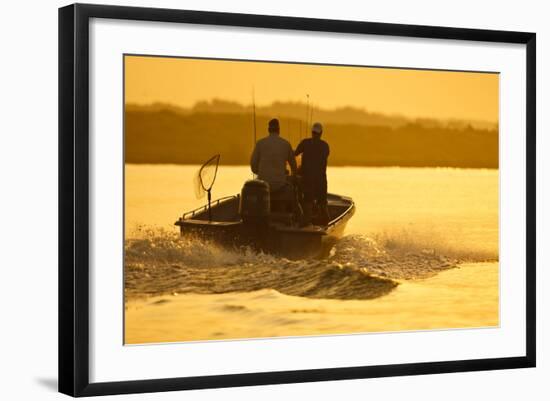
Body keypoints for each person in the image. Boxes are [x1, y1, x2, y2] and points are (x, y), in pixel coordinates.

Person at [295, 122, 330, 225]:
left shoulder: (305, 143)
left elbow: (295, 153)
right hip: (321, 181)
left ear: (312, 132)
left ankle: (307, 223)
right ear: (321, 133)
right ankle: (326, 223)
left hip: (308, 180)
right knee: (322, 204)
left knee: (308, 203)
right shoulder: (325, 146)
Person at [250, 118, 297, 191]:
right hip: (280, 184)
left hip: (263, 185)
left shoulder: (260, 143)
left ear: (268, 130)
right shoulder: (286, 144)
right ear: (279, 130)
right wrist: (292, 176)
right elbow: (294, 166)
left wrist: (261, 172)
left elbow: (253, 166)